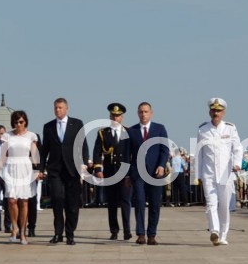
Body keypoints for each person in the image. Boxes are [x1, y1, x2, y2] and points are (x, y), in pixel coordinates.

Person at [39, 97, 89, 245]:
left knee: (72, 205)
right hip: (55, 170)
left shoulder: (77, 124)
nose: (57, 110)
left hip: (72, 170)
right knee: (57, 200)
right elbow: (44, 150)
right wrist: (41, 168)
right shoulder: (48, 127)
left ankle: (70, 234)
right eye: (55, 107)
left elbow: (83, 145)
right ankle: (58, 234)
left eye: (60, 107)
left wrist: (84, 163)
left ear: (66, 109)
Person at [197, 98, 244, 246]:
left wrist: (237, 163)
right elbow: (199, 154)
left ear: (223, 113)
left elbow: (237, 148)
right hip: (208, 173)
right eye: (213, 110)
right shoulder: (202, 129)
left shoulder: (230, 128)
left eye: (218, 111)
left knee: (224, 206)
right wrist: (197, 175)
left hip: (226, 173)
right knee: (211, 204)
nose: (215, 113)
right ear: (209, 111)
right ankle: (214, 231)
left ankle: (223, 235)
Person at [128, 102, 170, 245]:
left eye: (146, 111)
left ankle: (151, 234)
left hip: (155, 173)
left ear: (151, 113)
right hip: (138, 173)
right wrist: (128, 174)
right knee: (139, 202)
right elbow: (127, 155)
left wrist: (161, 165)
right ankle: (141, 234)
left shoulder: (159, 129)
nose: (143, 114)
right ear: (137, 113)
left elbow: (165, 150)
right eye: (141, 112)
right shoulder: (131, 131)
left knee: (154, 204)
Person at [0, 110, 40, 244]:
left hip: (25, 168)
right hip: (10, 167)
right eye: (16, 122)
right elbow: (4, 154)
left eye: (21, 121)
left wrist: (38, 170)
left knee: (24, 201)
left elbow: (34, 155)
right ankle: (14, 227)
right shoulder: (7, 136)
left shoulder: (31, 136)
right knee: (11, 200)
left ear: (25, 121)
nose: (18, 124)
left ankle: (23, 231)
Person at [92, 102, 132, 240]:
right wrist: (98, 168)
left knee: (126, 201)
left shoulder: (129, 132)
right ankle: (114, 231)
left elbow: (134, 152)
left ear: (122, 117)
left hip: (125, 173)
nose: (115, 118)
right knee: (112, 202)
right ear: (110, 116)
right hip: (109, 172)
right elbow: (97, 151)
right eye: (113, 115)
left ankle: (127, 231)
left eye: (118, 116)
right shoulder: (103, 133)